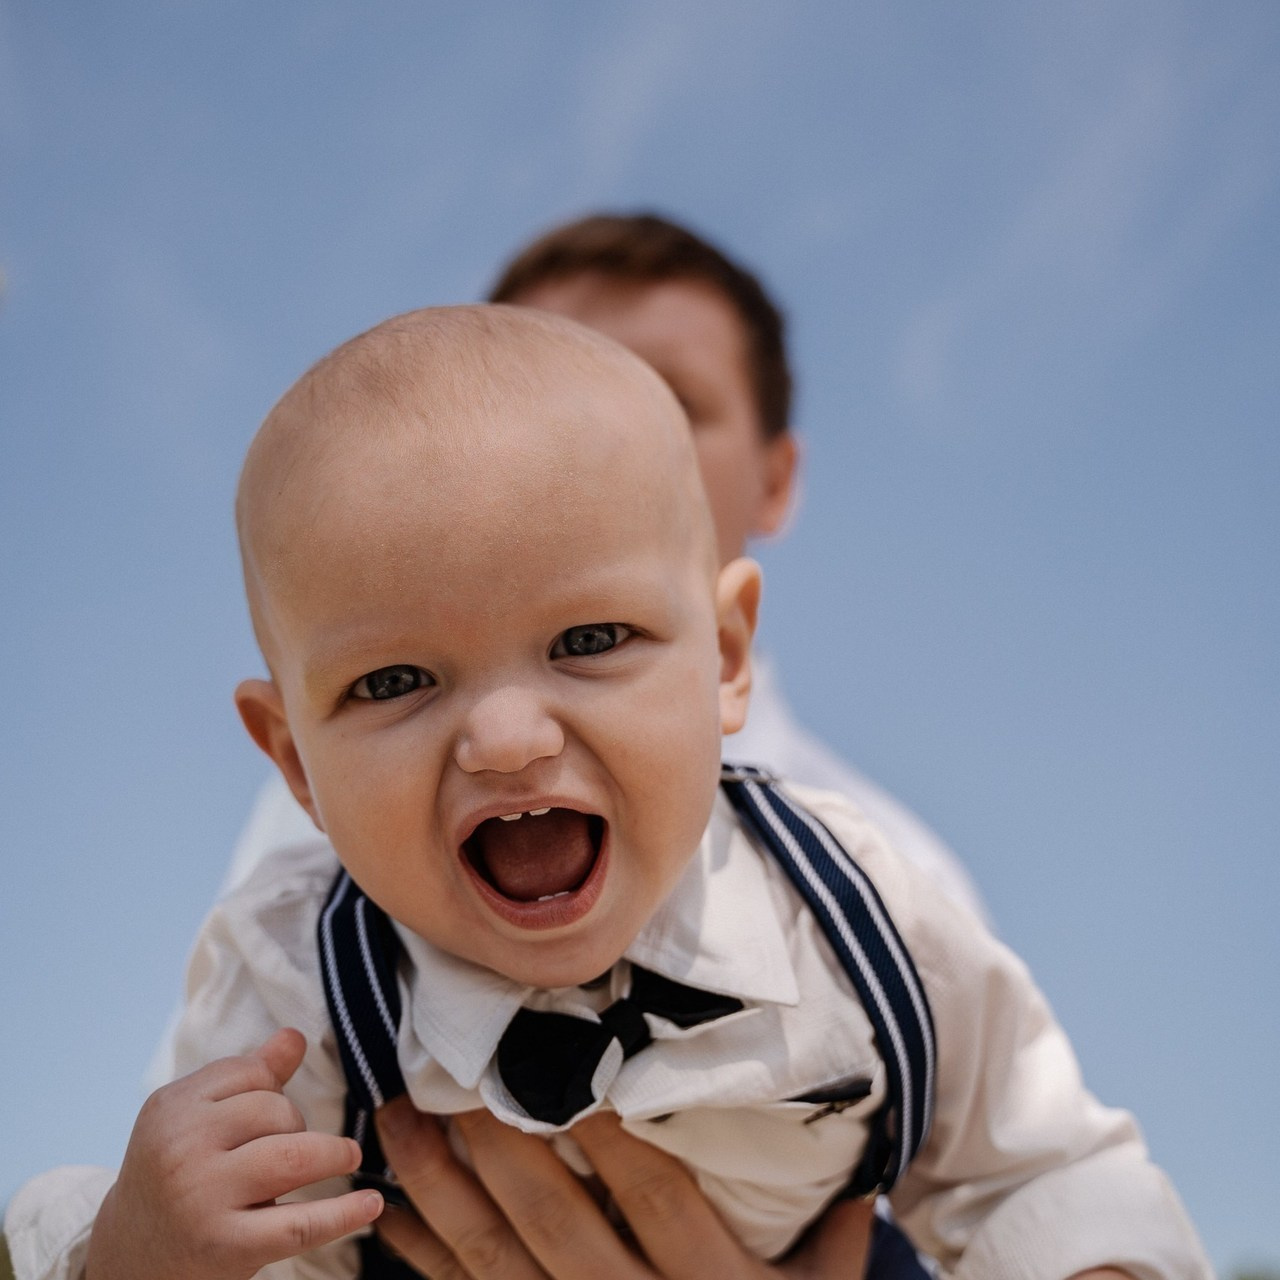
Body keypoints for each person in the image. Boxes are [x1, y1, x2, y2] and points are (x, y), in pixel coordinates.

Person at [8, 306, 1209, 1279]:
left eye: (587, 637)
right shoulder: (292, 979)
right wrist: (136, 1256)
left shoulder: (852, 903)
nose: (505, 736)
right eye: (391, 678)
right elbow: (275, 1257)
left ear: (726, 658)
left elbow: (1036, 1171)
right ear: (292, 759)